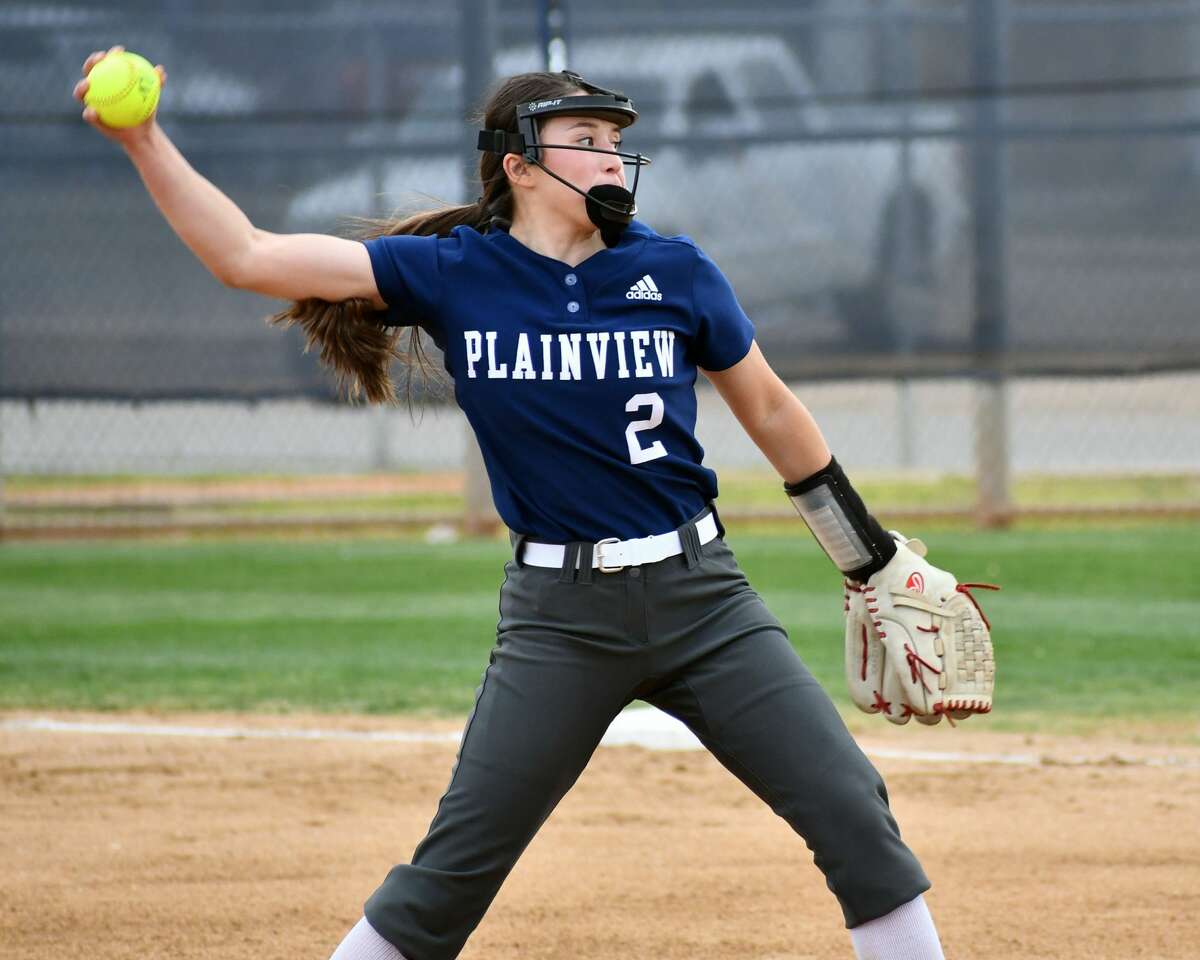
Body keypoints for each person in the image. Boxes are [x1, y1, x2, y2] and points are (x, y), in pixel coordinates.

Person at [75, 46, 970, 960]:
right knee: (451, 876)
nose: (611, 156)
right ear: (520, 165)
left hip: (705, 600)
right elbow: (246, 256)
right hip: (560, 623)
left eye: (616, 140)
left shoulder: (676, 272)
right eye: (586, 138)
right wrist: (143, 140)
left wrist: (864, 554)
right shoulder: (457, 273)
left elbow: (772, 410)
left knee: (852, 810)